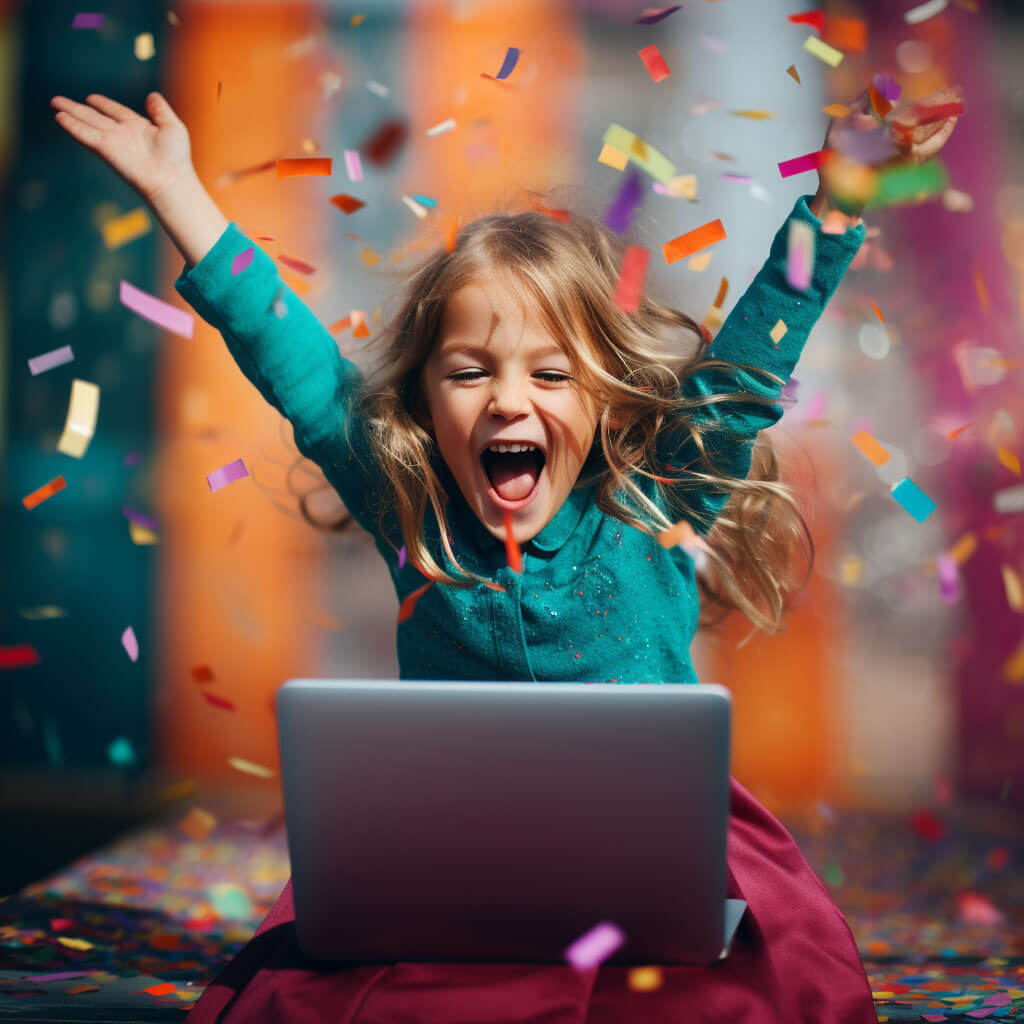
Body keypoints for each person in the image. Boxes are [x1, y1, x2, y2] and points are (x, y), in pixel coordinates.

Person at [51, 85, 956, 1023]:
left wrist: (839, 200)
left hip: (658, 852)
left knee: (729, 996)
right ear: (424, 400)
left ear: (607, 396)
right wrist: (178, 192)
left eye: (551, 373)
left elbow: (751, 369)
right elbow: (291, 354)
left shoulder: (657, 494)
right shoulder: (408, 499)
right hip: (454, 854)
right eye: (470, 370)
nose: (507, 401)